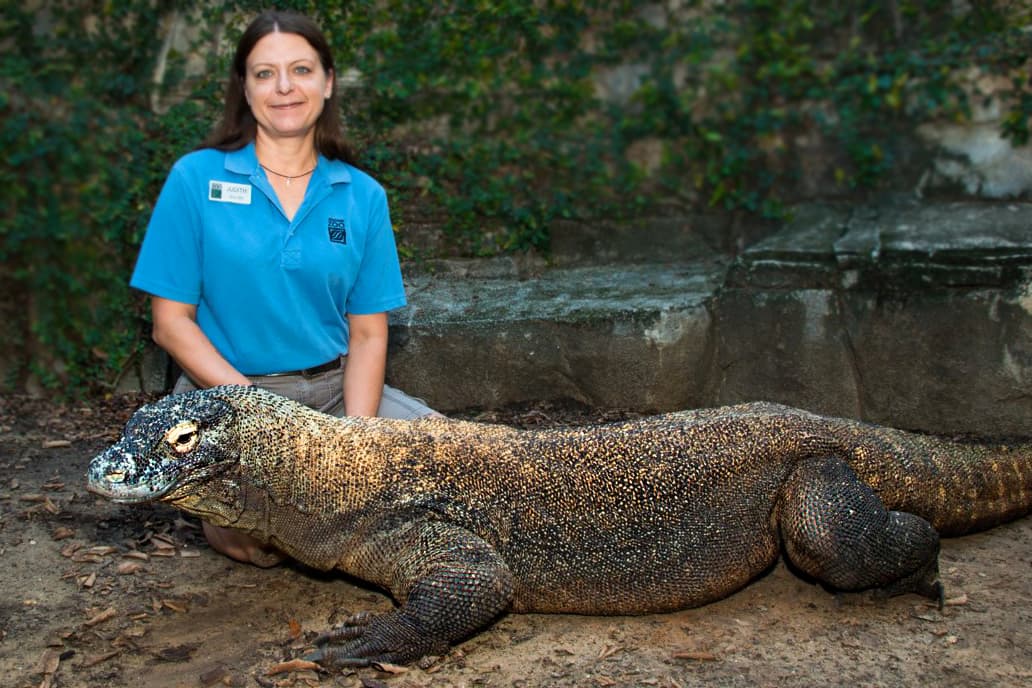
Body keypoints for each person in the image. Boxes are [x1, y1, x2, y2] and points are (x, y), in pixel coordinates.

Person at [130, 10, 439, 566]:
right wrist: (260, 415)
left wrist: (354, 443)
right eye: (264, 73)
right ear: (244, 88)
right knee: (266, 537)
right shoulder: (196, 179)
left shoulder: (362, 195)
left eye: (300, 69)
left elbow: (369, 335)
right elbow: (170, 324)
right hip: (226, 400)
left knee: (458, 467)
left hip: (335, 392)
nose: (284, 87)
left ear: (327, 81)